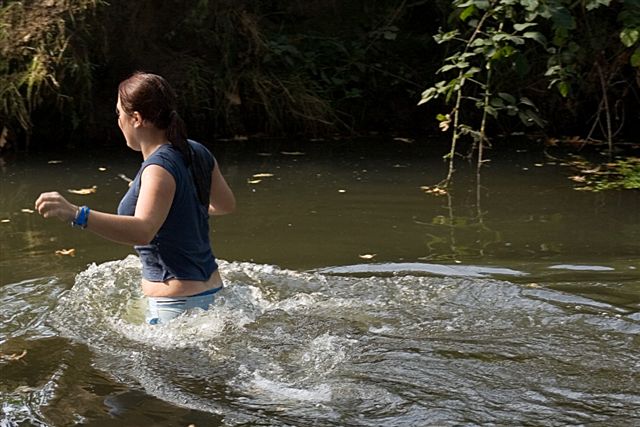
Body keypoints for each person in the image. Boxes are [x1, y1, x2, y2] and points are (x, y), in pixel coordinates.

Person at [35, 71, 236, 324]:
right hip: (214, 291)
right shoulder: (197, 151)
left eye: (119, 113)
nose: (118, 121)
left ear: (137, 118)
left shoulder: (157, 169)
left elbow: (142, 231)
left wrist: (77, 214)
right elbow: (225, 205)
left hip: (175, 307)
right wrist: (177, 210)